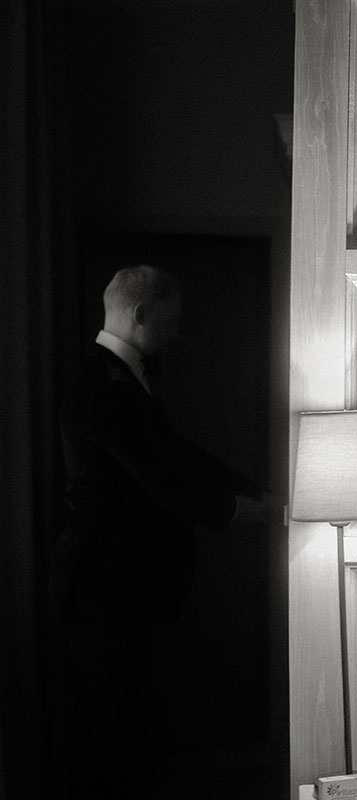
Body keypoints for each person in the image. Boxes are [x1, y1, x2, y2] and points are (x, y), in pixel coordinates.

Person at [54, 264, 266, 800]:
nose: (178, 332)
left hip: (123, 585)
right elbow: (163, 479)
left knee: (124, 719)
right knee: (103, 728)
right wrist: (247, 511)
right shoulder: (100, 384)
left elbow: (176, 452)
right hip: (101, 586)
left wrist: (255, 487)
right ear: (141, 314)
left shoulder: (123, 376)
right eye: (171, 321)